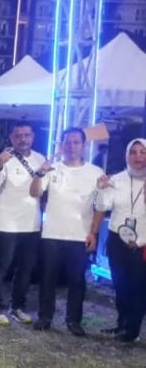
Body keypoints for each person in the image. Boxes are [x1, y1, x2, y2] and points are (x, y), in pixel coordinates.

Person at [30, 127, 104, 336]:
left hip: (80, 235)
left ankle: (73, 320)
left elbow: (100, 207)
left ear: (84, 145)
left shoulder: (95, 172)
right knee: (48, 278)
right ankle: (45, 317)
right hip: (52, 233)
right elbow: (34, 192)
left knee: (77, 281)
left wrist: (94, 233)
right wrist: (40, 172)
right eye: (67, 142)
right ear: (62, 145)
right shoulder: (52, 168)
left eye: (76, 142)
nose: (72, 146)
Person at [0, 121, 46, 325]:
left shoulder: (40, 159)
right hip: (7, 223)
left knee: (26, 268)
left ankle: (17, 306)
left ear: (33, 137)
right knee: (1, 266)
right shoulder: (4, 158)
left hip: (31, 223)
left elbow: (41, 191)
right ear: (11, 138)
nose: (23, 139)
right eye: (18, 136)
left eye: (27, 135)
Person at [93, 137, 146, 343]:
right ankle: (122, 323)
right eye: (133, 152)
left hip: (141, 243)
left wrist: (140, 241)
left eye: (142, 152)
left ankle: (132, 330)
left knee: (138, 286)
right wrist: (102, 189)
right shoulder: (117, 179)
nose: (138, 157)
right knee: (120, 284)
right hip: (117, 239)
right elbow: (103, 206)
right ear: (127, 156)